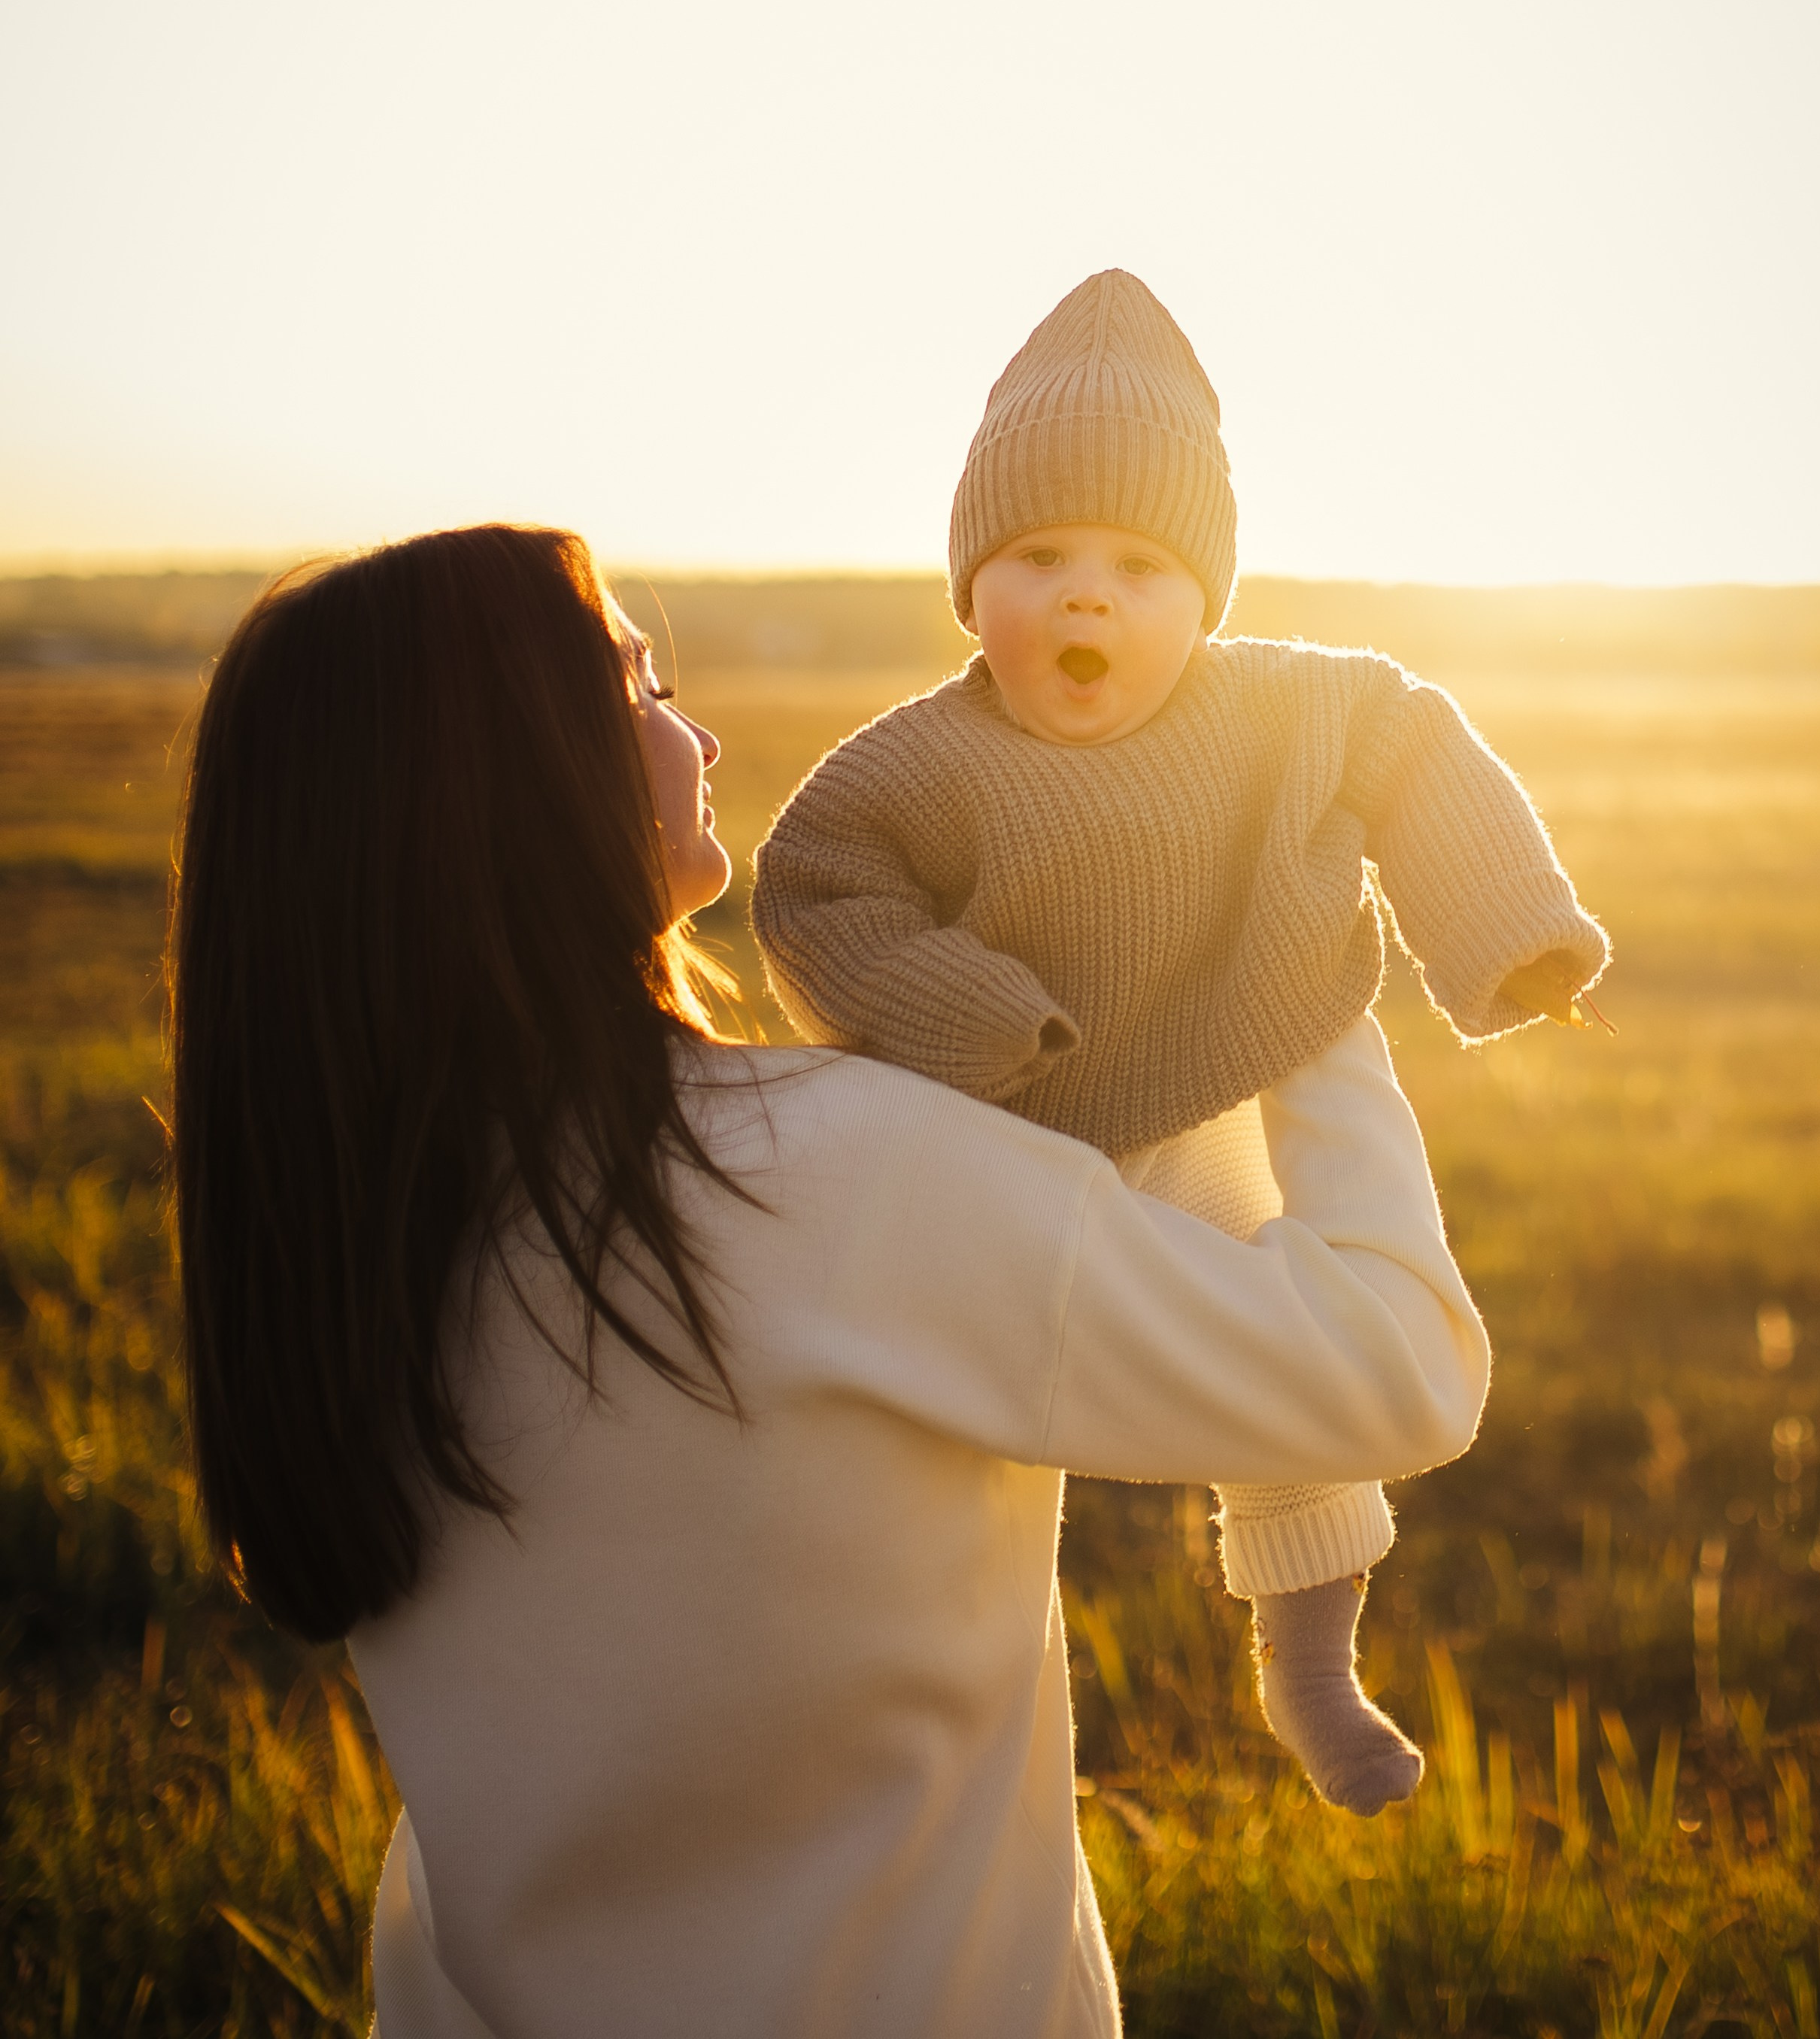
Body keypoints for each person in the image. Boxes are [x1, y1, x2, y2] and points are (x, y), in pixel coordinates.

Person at [168, 520, 1491, 2039]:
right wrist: (1297, 972)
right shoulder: (847, 1178)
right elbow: (1397, 1363)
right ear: (510, 780)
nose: (697, 727)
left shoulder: (346, 1240)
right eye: (636, 684)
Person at [753, 269, 1607, 1816]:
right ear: (968, 586)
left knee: (1294, 1405)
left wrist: (1509, 933)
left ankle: (1308, 1662)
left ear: (1207, 594)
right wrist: (974, 1009)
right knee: (941, 1447)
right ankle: (924, 1695)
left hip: (1218, 1065)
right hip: (1003, 1117)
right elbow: (818, 889)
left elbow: (1420, 749)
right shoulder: (919, 761)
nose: (1088, 595)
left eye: (1140, 565)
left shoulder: (1287, 704)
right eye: (1039, 556)